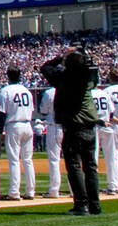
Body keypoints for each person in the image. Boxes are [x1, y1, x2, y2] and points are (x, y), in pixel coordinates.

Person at [41, 48, 101, 215]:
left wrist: (61, 57)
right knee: (90, 167)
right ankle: (95, 204)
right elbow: (92, 69)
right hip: (90, 125)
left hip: (74, 126)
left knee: (74, 165)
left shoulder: (63, 79)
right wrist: (83, 55)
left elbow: (45, 68)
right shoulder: (88, 80)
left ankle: (81, 204)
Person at [0, 68, 35, 200]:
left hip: (14, 125)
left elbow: (2, 113)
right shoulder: (27, 91)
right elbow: (31, 110)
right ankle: (30, 191)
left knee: (14, 160)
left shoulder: (6, 91)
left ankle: (14, 192)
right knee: (28, 160)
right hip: (27, 124)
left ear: (8, 76)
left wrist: (0, 131)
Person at [37, 83, 62, 198]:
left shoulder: (49, 92)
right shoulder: (70, 88)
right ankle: (74, 190)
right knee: (73, 160)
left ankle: (54, 190)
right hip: (68, 126)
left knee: (54, 160)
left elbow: (43, 110)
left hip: (53, 125)